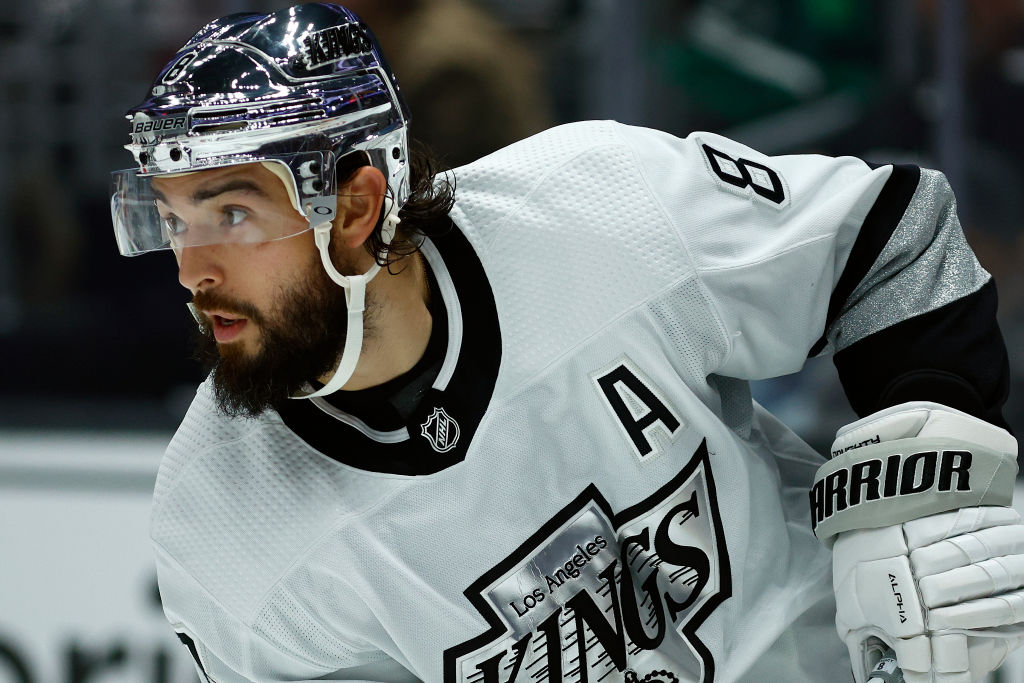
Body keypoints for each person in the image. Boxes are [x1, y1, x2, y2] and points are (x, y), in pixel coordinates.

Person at [110, 4, 1024, 682]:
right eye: (174, 219)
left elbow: (891, 241)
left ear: (356, 204)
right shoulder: (216, 528)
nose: (193, 269)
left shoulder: (600, 205)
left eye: (232, 211)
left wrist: (923, 494)